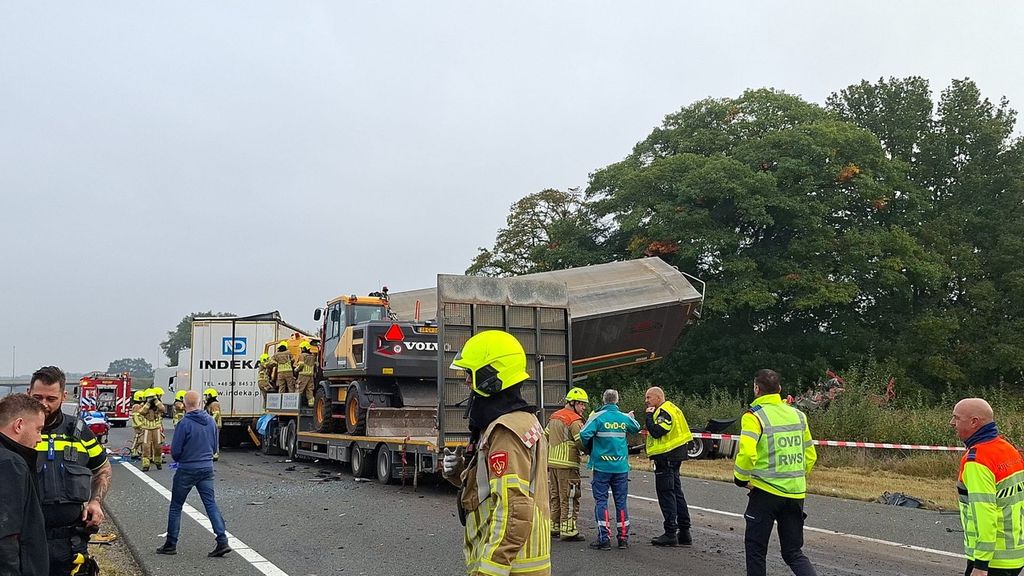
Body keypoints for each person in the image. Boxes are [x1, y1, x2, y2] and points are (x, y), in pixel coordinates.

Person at [441, 330, 550, 576]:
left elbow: (514, 509)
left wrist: (489, 571)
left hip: (510, 568)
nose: (466, 382)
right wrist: (460, 472)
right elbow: (492, 490)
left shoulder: (506, 431)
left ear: (491, 375)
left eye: (470, 373)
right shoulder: (522, 420)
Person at [28, 366, 111, 576]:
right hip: (27, 540)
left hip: (71, 542)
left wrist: (95, 501)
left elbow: (102, 468)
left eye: (51, 398)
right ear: (28, 393)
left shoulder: (79, 432)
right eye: (37, 397)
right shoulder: (16, 431)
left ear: (64, 396)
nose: (43, 404)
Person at [734, 369, 818, 576]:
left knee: (756, 550)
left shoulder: (754, 416)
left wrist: (741, 478)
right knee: (793, 552)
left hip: (765, 492)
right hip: (795, 494)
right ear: (779, 389)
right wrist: (794, 477)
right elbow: (810, 455)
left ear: (756, 389)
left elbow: (747, 453)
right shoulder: (799, 416)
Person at [951, 397, 1024, 576]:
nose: (952, 423)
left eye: (957, 418)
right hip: (1014, 554)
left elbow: (985, 513)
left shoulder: (978, 460)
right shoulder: (1007, 449)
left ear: (974, 422)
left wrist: (981, 565)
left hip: (993, 560)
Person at [157, 391, 232, 558]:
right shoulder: (211, 422)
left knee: (176, 506)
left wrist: (184, 458)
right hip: (206, 468)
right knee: (210, 504)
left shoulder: (184, 423)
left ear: (184, 404)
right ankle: (222, 540)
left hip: (187, 469)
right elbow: (214, 448)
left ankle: (171, 543)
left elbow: (175, 452)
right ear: (199, 403)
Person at [579, 389, 641, 550]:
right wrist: (630, 416)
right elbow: (636, 427)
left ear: (603, 400)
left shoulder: (597, 417)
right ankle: (623, 538)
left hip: (601, 466)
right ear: (617, 400)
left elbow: (583, 434)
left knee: (601, 501)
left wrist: (591, 447)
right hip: (620, 467)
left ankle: (604, 538)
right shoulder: (624, 417)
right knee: (621, 502)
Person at [0, 393, 49, 576]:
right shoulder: (9, 463)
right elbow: (6, 537)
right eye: (38, 429)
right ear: (19, 425)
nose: (40, 438)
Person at [644, 386, 694, 547]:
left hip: (666, 458)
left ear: (658, 398)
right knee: (677, 493)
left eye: (649, 398)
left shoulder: (663, 411)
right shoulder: (673, 408)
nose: (646, 401)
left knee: (666, 495)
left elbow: (657, 431)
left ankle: (670, 532)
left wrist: (648, 416)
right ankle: (685, 532)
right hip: (675, 456)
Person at [546, 387, 589, 542]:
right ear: (573, 403)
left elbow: (545, 436)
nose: (584, 407)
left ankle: (554, 526)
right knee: (570, 497)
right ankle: (569, 530)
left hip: (553, 463)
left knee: (555, 496)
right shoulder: (575, 421)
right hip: (568, 464)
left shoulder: (554, 416)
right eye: (582, 404)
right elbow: (582, 442)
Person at [139, 388, 164, 471]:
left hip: (156, 428)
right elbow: (142, 412)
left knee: (158, 446)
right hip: (147, 428)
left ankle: (158, 461)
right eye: (149, 397)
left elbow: (162, 409)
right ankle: (146, 464)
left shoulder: (158, 405)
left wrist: (156, 400)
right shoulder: (143, 405)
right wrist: (148, 403)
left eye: (152, 397)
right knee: (146, 446)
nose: (151, 399)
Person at [295, 341, 316, 408]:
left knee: (299, 389)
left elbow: (301, 365)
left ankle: (296, 405)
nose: (301, 349)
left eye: (301, 348)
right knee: (309, 390)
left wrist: (296, 369)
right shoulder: (312, 356)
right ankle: (311, 404)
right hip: (310, 376)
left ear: (304, 348)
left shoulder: (302, 355)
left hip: (303, 375)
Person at [203, 389, 222, 461]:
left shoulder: (214, 404)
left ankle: (215, 454)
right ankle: (211, 453)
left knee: (215, 439)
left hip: (215, 425)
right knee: (210, 439)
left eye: (206, 395)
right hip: (211, 424)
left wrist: (210, 420)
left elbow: (216, 414)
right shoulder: (210, 403)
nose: (206, 397)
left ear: (210, 395)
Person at [130, 389, 145, 460]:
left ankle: (141, 451)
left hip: (140, 424)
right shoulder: (136, 406)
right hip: (139, 425)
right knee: (139, 438)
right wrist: (140, 425)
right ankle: (134, 450)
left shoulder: (138, 406)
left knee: (141, 438)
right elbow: (136, 416)